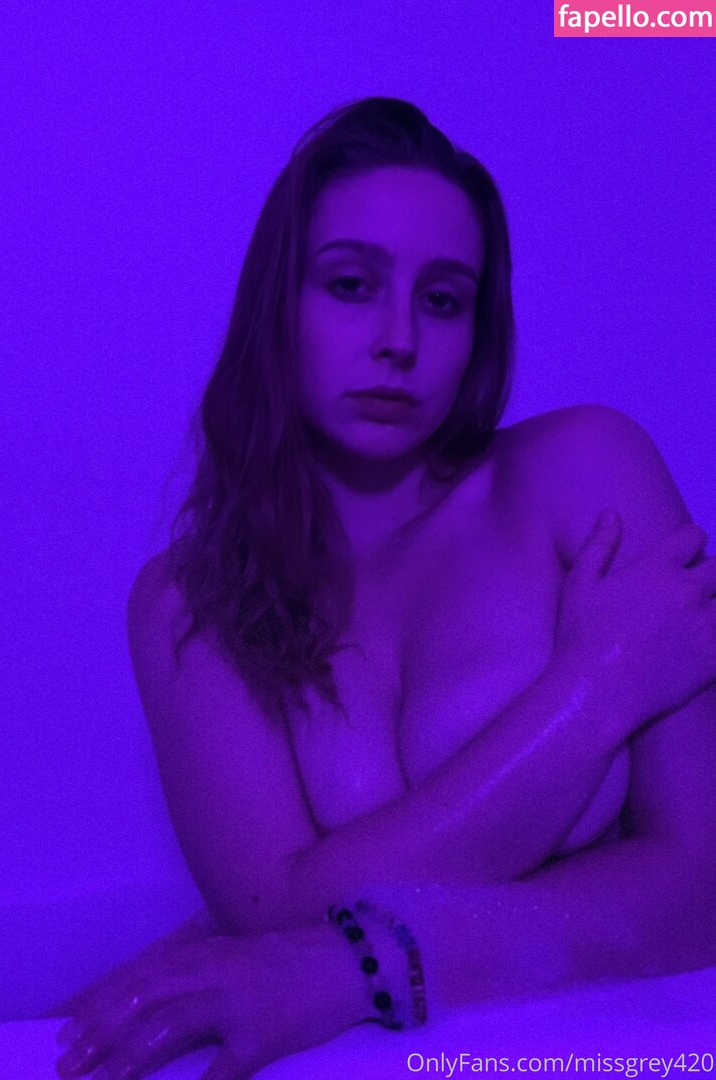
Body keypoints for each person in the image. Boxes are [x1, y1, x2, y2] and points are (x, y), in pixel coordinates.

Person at [52, 96, 716, 1080]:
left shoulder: (587, 474)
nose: (398, 338)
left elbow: (702, 887)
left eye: (443, 300)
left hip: (611, 1052)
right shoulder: (192, 602)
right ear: (278, 306)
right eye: (352, 285)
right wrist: (595, 691)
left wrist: (354, 960)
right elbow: (273, 917)